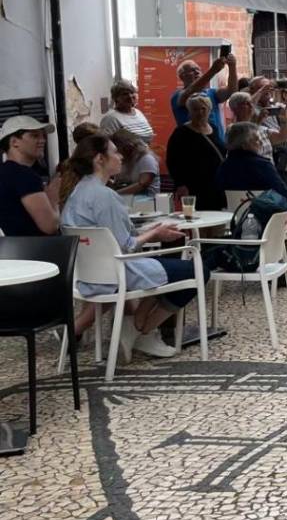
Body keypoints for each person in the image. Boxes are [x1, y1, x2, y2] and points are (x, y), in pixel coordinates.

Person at [59, 134, 205, 359]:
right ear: (100, 159)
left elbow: (107, 239)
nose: (120, 157)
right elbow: (125, 246)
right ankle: (142, 331)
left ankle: (138, 324)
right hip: (119, 272)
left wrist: (148, 233)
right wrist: (155, 233)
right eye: (115, 152)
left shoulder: (76, 193)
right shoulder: (105, 196)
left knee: (167, 267)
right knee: (198, 270)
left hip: (89, 274)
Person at [216, 121, 287, 265]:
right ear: (244, 145)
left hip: (237, 221)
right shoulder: (262, 165)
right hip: (267, 221)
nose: (260, 143)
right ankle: (278, 264)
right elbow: (284, 194)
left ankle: (267, 261)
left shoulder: (224, 166)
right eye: (256, 139)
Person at [0, 116, 60, 237]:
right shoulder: (24, 176)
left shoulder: (5, 172)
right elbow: (50, 226)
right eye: (34, 136)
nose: (42, 140)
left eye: (43, 136)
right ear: (14, 142)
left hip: (15, 252)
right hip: (37, 253)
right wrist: (53, 199)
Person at [166, 94, 226, 211]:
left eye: (203, 108)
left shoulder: (214, 128)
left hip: (216, 184)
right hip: (193, 185)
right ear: (189, 112)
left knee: (218, 218)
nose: (200, 112)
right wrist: (180, 184)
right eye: (195, 109)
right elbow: (172, 161)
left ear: (209, 110)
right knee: (198, 220)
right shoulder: (181, 132)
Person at [170, 53, 239, 149]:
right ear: (182, 76)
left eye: (198, 69)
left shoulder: (212, 92)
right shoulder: (177, 95)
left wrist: (232, 67)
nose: (197, 71)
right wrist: (213, 70)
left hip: (217, 144)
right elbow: (190, 92)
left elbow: (231, 90)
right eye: (192, 70)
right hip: (194, 146)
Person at [99, 79, 154, 145]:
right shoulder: (110, 118)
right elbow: (105, 144)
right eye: (125, 94)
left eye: (132, 92)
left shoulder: (138, 113)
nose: (130, 96)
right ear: (116, 98)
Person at [109, 129, 159, 198]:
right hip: (127, 198)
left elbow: (142, 184)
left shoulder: (146, 159)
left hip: (146, 199)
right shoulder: (124, 159)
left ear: (128, 147)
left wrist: (116, 194)